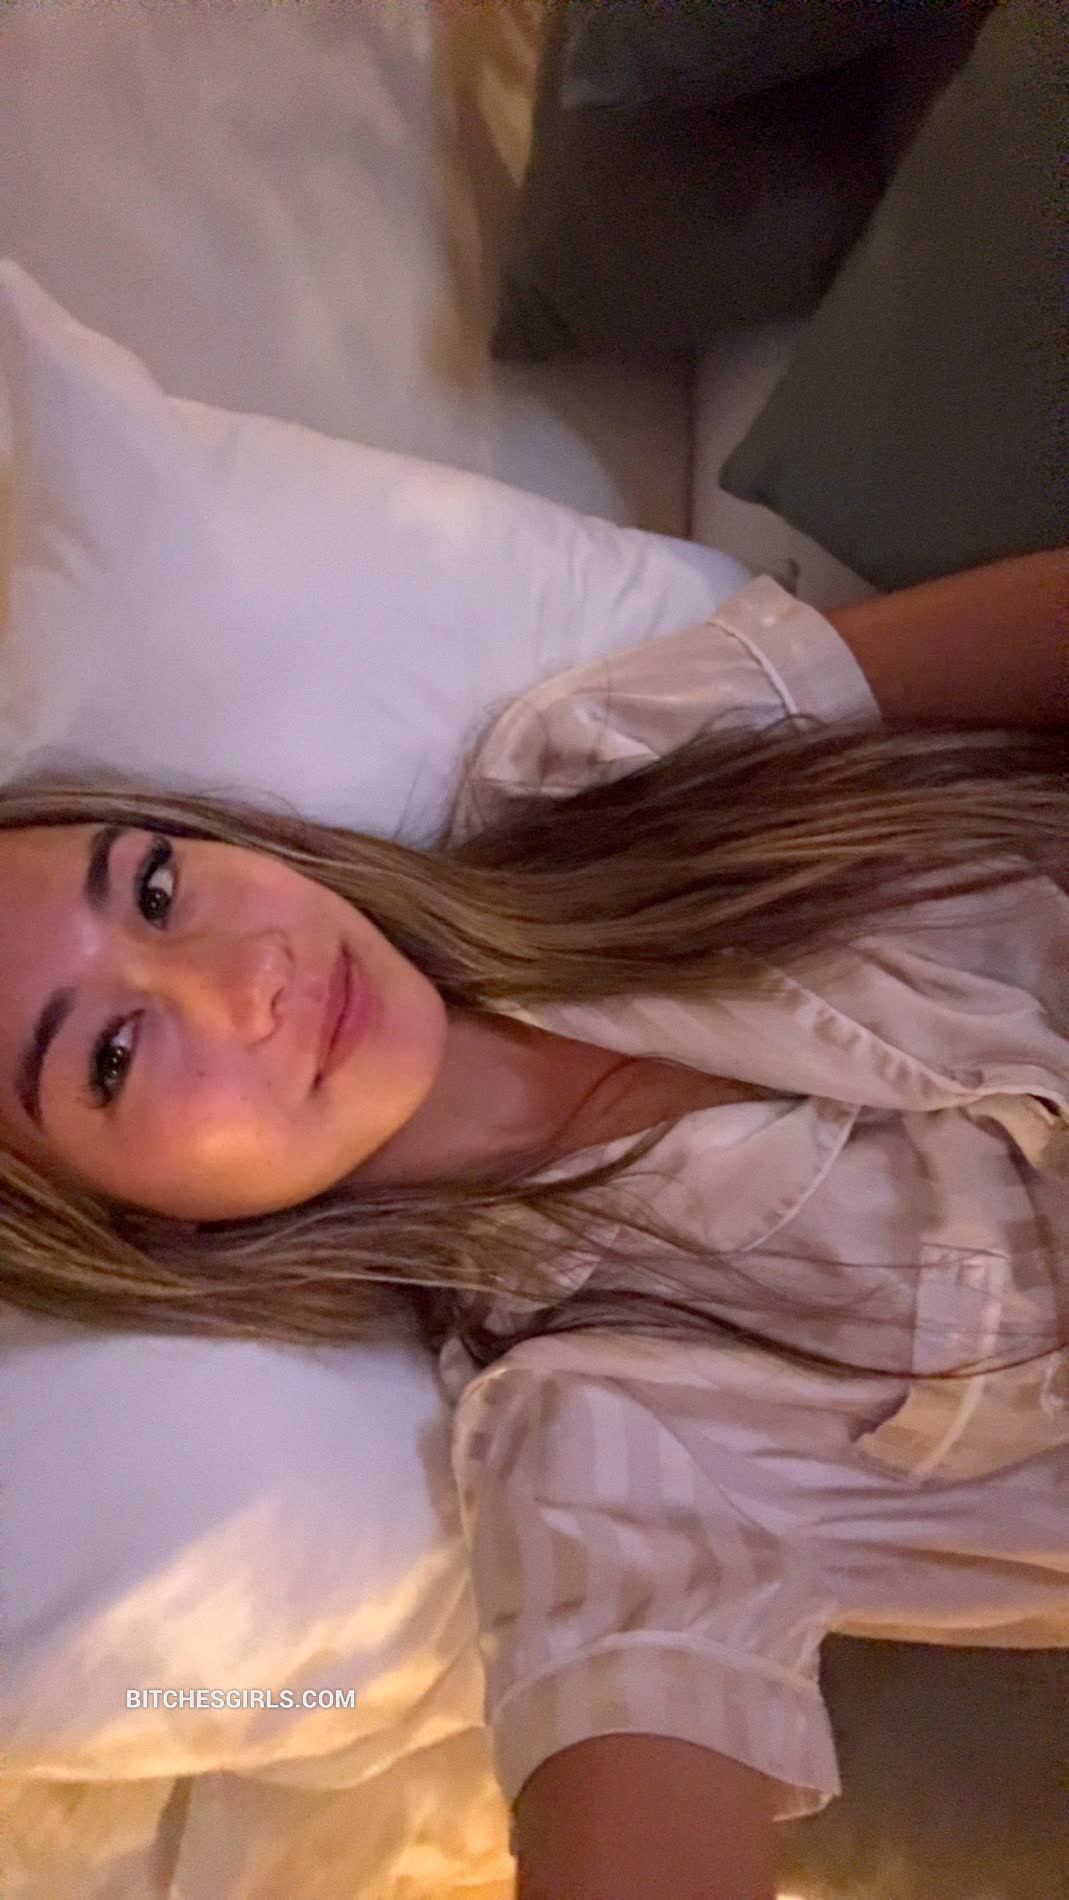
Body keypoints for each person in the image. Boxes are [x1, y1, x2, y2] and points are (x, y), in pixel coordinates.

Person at [0, 548, 1066, 1900]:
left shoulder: (596, 769)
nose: (248, 973)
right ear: (124, 1226)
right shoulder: (599, 1433)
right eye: (111, 1054)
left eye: (155, 889)